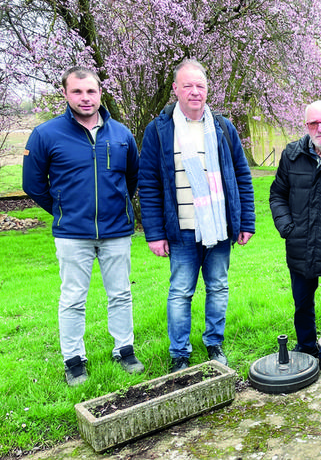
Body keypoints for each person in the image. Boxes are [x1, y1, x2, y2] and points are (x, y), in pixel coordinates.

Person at [22, 66, 142, 386]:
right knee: (73, 298)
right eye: (77, 91)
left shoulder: (121, 134)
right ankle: (73, 359)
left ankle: (124, 349)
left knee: (120, 293)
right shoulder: (46, 135)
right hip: (72, 235)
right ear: (65, 94)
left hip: (116, 231)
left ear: (100, 93)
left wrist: (116, 205)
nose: (85, 98)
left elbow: (131, 177)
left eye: (91, 91)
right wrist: (64, 210)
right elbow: (33, 185)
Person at [138, 59, 255, 372]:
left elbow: (242, 176)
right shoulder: (159, 130)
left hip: (218, 227)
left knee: (218, 287)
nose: (194, 92)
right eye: (187, 85)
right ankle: (179, 353)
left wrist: (246, 222)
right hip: (181, 231)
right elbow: (148, 183)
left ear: (207, 90)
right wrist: (154, 233)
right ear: (175, 89)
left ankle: (214, 343)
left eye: (199, 86)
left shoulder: (222, 128)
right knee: (180, 291)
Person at [269, 101, 321, 382]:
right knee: (302, 303)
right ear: (305, 126)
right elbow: (277, 195)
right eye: (314, 123)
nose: (320, 128)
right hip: (299, 245)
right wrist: (287, 227)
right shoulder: (291, 155)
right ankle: (306, 347)